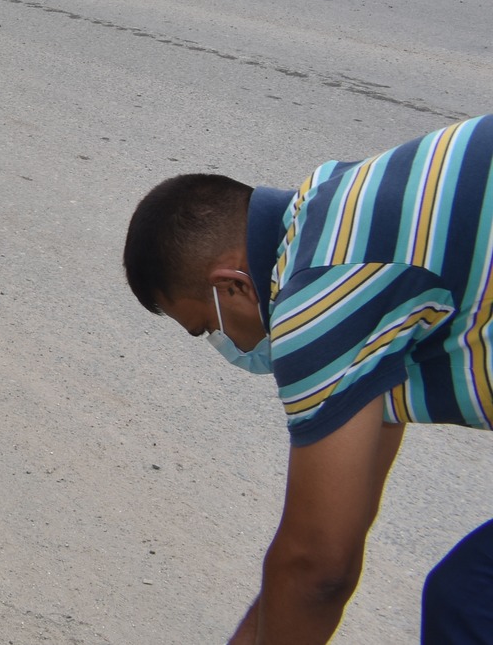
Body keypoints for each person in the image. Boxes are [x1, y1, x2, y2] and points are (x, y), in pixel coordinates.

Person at [122, 116, 493, 644]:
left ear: (232, 287)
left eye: (207, 328)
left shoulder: (320, 293)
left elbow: (317, 569)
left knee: (473, 606)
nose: (226, 345)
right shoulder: (328, 208)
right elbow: (333, 530)